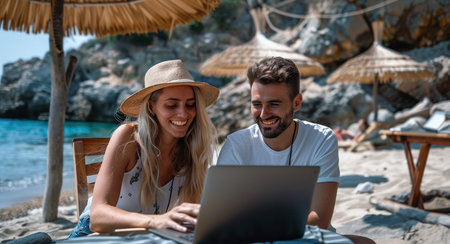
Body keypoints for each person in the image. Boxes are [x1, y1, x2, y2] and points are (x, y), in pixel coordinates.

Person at [69, 59, 219, 237]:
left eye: (190, 104)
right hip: (97, 235)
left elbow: (189, 214)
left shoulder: (194, 150)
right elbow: (98, 218)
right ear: (151, 107)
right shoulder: (129, 138)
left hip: (147, 236)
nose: (183, 113)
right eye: (172, 105)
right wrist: (156, 221)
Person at [217, 57, 339, 230]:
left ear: (296, 103)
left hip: (305, 237)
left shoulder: (321, 138)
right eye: (257, 104)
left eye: (274, 104)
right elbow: (223, 217)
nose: (264, 114)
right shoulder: (236, 145)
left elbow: (320, 220)